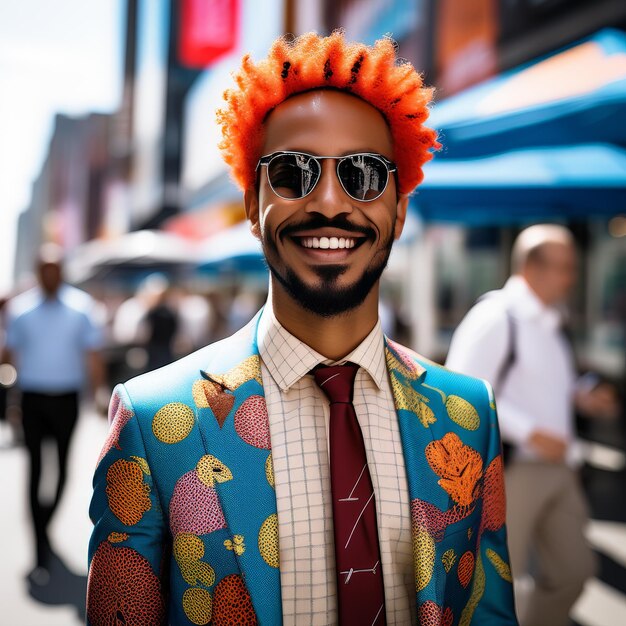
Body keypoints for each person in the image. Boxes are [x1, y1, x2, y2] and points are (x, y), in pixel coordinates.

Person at [87, 32, 517, 625]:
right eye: (293, 173)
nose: (331, 203)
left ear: (400, 209)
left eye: (364, 174)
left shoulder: (468, 414)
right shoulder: (153, 421)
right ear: (251, 205)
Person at [445, 224, 617, 626]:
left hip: (559, 469)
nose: (573, 277)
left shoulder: (551, 321)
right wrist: (530, 432)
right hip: (511, 470)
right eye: (566, 267)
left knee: (573, 572)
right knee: (491, 586)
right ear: (533, 267)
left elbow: (544, 385)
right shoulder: (495, 317)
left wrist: (581, 396)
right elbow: (459, 395)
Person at [3, 244, 107, 585]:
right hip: (32, 398)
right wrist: (11, 400)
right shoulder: (20, 309)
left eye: (55, 269)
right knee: (35, 469)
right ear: (37, 271)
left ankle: (42, 523)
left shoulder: (80, 307)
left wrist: (98, 394)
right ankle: (38, 549)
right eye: (44, 269)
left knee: (62, 468)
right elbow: (9, 355)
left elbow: (92, 354)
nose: (50, 275)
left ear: (61, 271)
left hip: (65, 399)